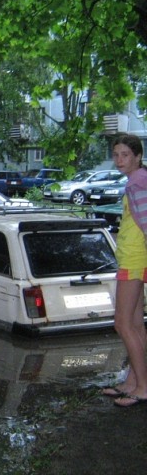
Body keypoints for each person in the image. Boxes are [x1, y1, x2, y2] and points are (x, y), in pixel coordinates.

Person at [101, 133, 147, 407]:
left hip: (133, 260)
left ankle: (142, 386)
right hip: (135, 258)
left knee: (122, 323)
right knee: (136, 325)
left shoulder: (137, 184)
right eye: (116, 154)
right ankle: (133, 381)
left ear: (138, 156)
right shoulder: (138, 180)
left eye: (125, 155)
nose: (119, 160)